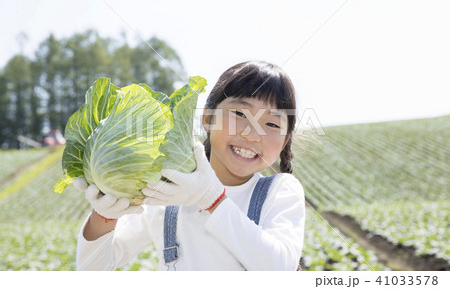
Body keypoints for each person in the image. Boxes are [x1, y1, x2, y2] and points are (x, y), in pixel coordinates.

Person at [75, 60, 305, 271]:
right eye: (239, 113)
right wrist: (104, 217)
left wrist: (211, 198)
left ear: (284, 141)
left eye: (272, 123)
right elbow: (92, 270)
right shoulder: (164, 188)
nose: (252, 134)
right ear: (207, 118)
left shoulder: (281, 191)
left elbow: (281, 269)